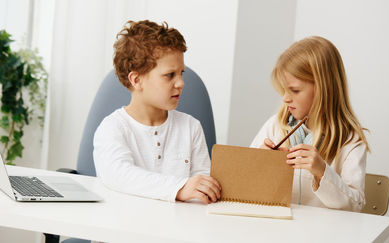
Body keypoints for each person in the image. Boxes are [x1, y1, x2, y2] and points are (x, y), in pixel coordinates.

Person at [93, 20, 221, 204]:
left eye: (181, 73)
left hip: (176, 230)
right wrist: (180, 188)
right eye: (170, 75)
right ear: (136, 80)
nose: (181, 83)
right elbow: (118, 174)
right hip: (124, 227)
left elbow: (202, 189)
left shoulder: (191, 127)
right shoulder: (113, 128)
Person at [250, 36, 369, 212]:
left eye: (295, 90)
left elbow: (355, 206)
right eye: (284, 90)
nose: (285, 98)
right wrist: (258, 164)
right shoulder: (275, 125)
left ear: (324, 89)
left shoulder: (350, 141)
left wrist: (322, 172)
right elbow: (244, 185)